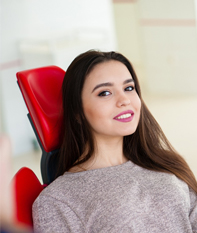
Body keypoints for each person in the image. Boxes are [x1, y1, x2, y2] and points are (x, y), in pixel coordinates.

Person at [32, 50, 197, 233]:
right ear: (77, 112)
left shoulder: (164, 162)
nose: (124, 100)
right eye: (105, 93)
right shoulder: (58, 199)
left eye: (128, 88)